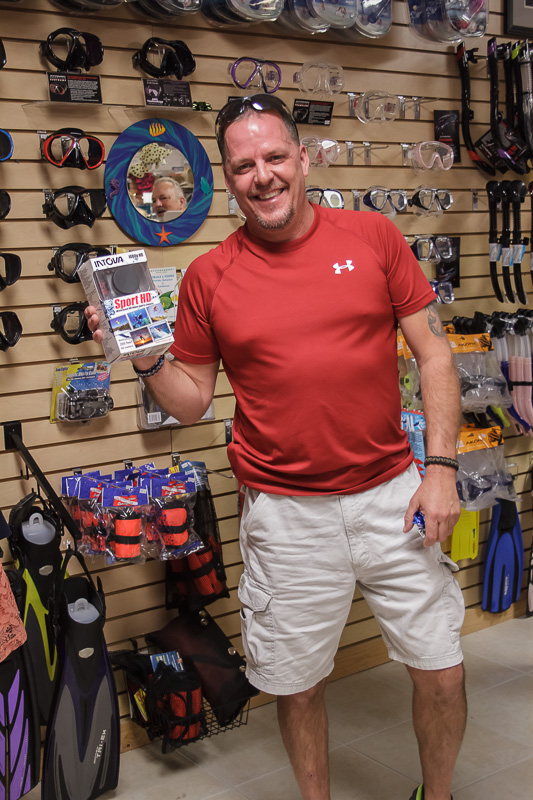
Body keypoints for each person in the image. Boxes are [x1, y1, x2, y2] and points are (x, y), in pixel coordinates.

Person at [86, 95, 465, 800]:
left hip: (393, 495)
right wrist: (143, 357)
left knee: (442, 668)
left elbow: (435, 354)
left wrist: (440, 469)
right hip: (286, 516)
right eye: (243, 166)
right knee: (298, 685)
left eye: (274, 157)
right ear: (227, 180)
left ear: (302, 158)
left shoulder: (373, 236)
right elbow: (191, 400)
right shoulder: (209, 277)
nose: (261, 176)